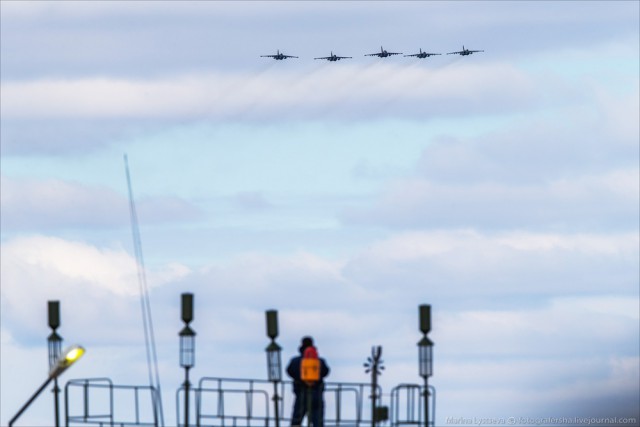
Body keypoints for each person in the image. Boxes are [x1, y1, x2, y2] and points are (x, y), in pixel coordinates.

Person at [286, 336, 330, 427]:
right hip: (317, 394)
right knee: (318, 422)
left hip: (300, 394)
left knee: (296, 421)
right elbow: (326, 371)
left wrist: (299, 379)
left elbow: (289, 371)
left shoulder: (295, 361)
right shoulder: (319, 361)